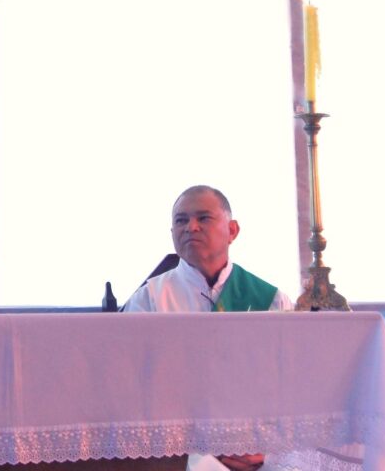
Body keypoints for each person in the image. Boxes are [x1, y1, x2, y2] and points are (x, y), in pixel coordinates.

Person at [123, 184, 292, 471]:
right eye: (181, 220)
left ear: (233, 230)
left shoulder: (272, 301)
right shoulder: (148, 300)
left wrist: (269, 451)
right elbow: (131, 384)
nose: (191, 227)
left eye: (203, 218)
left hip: (258, 450)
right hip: (177, 451)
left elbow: (292, 388)